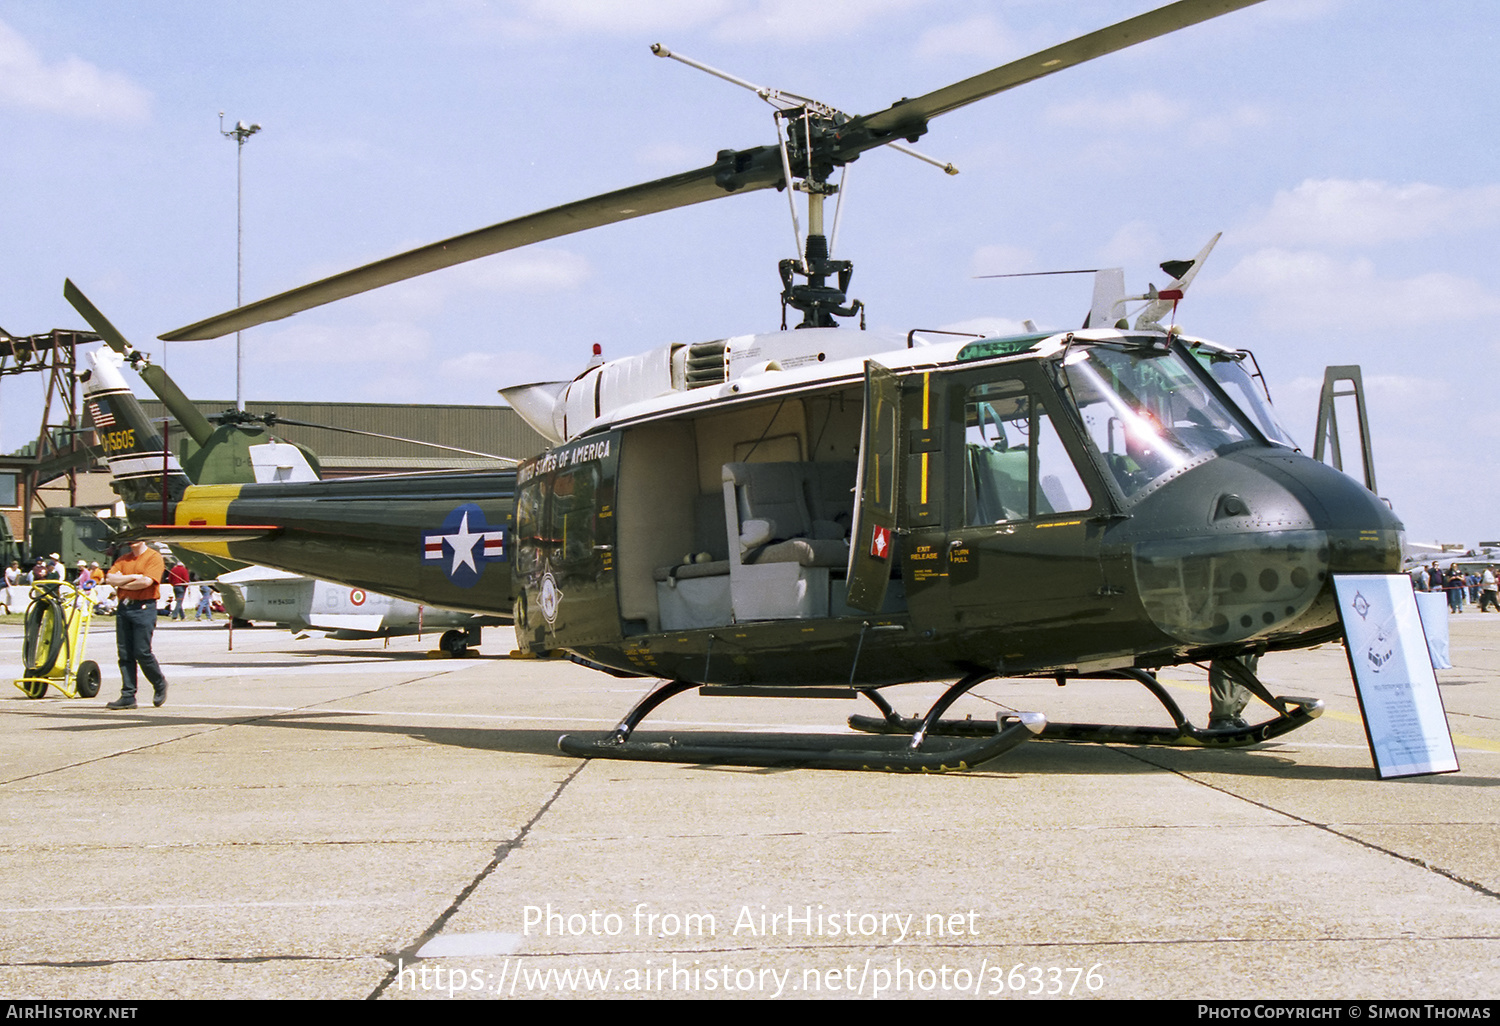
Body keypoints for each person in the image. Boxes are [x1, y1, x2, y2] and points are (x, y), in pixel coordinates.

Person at [104, 540, 169, 709]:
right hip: (125, 607)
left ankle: (159, 683)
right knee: (124, 653)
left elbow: (147, 582)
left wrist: (122, 583)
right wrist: (133, 577)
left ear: (143, 540)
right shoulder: (123, 559)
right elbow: (110, 578)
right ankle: (128, 695)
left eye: (135, 539)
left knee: (142, 651)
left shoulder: (153, 557)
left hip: (144, 607)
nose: (131, 542)